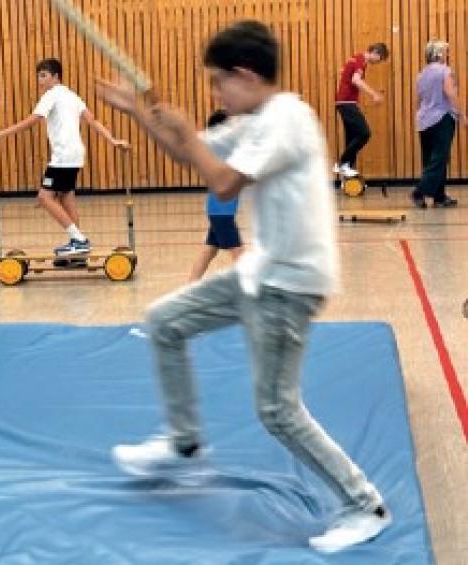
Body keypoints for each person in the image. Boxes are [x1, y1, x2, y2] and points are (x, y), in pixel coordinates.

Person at [97, 20, 391, 554]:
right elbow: (192, 154)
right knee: (165, 321)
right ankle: (184, 446)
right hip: (260, 273)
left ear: (247, 75)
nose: (214, 95)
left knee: (277, 410)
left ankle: (363, 504)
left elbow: (225, 180)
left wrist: (187, 131)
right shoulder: (252, 119)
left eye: (218, 83)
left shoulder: (288, 119)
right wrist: (139, 113)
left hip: (291, 285)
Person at [0, 58, 129, 256]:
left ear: (56, 76)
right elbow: (93, 120)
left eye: (44, 75)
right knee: (66, 197)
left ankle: (79, 241)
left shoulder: (52, 95)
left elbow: (33, 120)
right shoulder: (72, 96)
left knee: (45, 197)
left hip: (63, 156)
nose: (40, 80)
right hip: (75, 154)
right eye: (38, 75)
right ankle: (77, 249)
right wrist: (113, 140)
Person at [411, 40, 466, 208]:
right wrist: (462, 114)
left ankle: (439, 196)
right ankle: (419, 191)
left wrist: (417, 116)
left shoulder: (421, 74)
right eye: (445, 52)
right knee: (440, 157)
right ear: (439, 54)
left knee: (430, 159)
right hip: (442, 117)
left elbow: (418, 99)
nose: (447, 55)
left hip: (425, 119)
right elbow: (450, 93)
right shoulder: (445, 71)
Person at [189, 109, 242, 283]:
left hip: (217, 211)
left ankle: (190, 286)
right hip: (223, 213)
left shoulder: (216, 149)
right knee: (239, 254)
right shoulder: (226, 150)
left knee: (209, 251)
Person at [334, 43, 389, 178]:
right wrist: (374, 94)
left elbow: (344, 72)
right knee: (364, 133)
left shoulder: (356, 59)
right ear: (375, 52)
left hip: (343, 102)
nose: (379, 62)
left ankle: (346, 171)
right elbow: (356, 80)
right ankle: (342, 164)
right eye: (380, 59)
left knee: (352, 136)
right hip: (347, 103)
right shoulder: (360, 60)